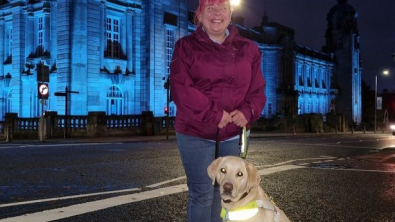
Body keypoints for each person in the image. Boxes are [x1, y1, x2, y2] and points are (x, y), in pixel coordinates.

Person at [169, 0, 266, 221]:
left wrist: (248, 111)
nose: (216, 14)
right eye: (209, 8)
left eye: (222, 7)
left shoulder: (248, 48)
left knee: (228, 194)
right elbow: (181, 88)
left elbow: (257, 88)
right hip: (195, 133)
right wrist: (215, 114)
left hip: (232, 133)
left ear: (230, 13)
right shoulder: (185, 47)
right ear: (199, 15)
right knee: (202, 195)